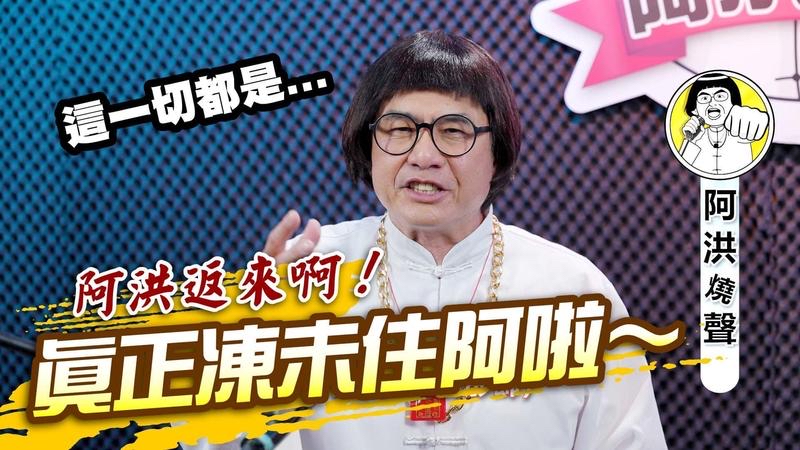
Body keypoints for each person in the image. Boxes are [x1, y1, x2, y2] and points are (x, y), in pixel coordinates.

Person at [249, 31, 668, 450]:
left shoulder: (575, 291)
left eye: (453, 130)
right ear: (368, 142)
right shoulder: (309, 276)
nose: (423, 156)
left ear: (498, 152)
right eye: (400, 128)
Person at [680, 72, 768, 177]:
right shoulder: (696, 137)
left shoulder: (740, 130)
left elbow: (757, 122)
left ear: (734, 104)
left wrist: (758, 120)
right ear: (694, 109)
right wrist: (690, 140)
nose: (712, 103)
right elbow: (680, 171)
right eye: (704, 98)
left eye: (720, 96)